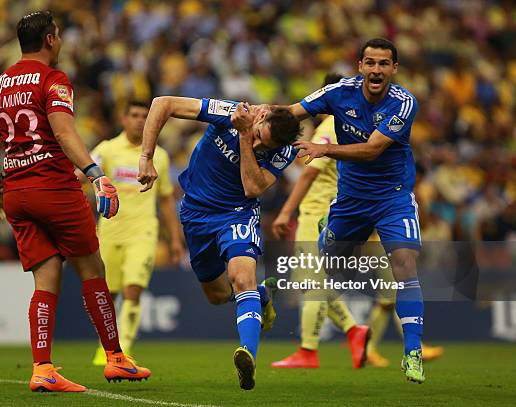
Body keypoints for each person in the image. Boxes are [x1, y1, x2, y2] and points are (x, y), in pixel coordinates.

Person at [0, 11, 150, 392]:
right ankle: (117, 359)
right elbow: (64, 130)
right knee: (92, 268)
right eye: (58, 36)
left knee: (45, 278)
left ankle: (43, 368)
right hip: (54, 187)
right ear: (51, 40)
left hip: (16, 194)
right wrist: (95, 173)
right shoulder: (52, 79)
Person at [281, 38, 426, 383]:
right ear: (360, 66)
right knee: (328, 265)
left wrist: (324, 150)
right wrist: (249, 119)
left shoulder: (404, 103)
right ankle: (326, 229)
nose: (376, 70)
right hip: (350, 200)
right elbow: (293, 111)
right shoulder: (339, 92)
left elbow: (373, 149)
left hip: (393, 197)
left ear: (394, 69)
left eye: (383, 64)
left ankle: (412, 353)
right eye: (370, 63)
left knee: (404, 265)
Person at [137, 96, 301, 390]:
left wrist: (243, 135)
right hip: (195, 215)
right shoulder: (228, 111)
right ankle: (261, 295)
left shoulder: (284, 151)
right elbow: (163, 103)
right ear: (260, 115)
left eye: (266, 146)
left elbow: (252, 188)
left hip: (237, 214)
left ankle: (247, 354)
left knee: (242, 278)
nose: (259, 147)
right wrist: (146, 156)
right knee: (216, 295)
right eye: (260, 137)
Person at [270, 73, 370, 370]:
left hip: (317, 212)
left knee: (312, 283)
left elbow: (310, 172)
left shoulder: (329, 126)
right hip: (336, 211)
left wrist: (287, 210)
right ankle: (354, 331)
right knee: (314, 282)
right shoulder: (355, 125)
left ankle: (308, 350)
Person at [90, 101, 184, 365]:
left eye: (145, 116)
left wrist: (175, 239)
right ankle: (106, 346)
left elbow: (166, 200)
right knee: (109, 294)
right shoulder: (107, 150)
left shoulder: (159, 156)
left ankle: (124, 348)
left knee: (134, 289)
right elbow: (82, 174)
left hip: (143, 231)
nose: (140, 120)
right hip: (109, 231)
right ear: (123, 119)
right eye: (135, 115)